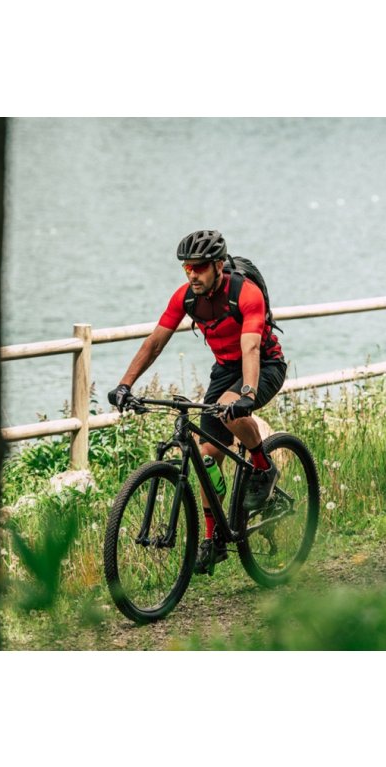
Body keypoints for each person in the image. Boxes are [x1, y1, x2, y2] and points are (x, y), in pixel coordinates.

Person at [108, 229, 287, 574]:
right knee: (207, 458)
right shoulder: (186, 297)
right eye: (187, 267)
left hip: (264, 365)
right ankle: (212, 539)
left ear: (218, 265)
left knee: (230, 410)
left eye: (200, 267)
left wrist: (247, 394)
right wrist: (125, 385)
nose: (192, 274)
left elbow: (251, 347)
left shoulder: (245, 293)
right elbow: (155, 343)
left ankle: (263, 466)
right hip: (225, 369)